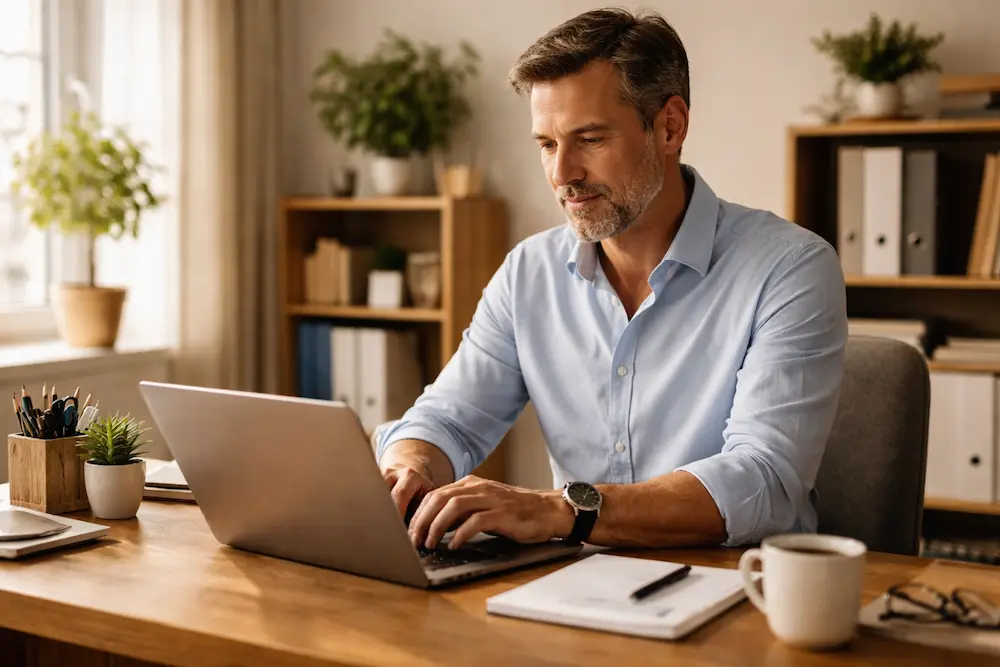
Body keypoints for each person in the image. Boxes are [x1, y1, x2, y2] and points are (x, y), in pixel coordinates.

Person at [375, 7, 847, 552]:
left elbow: (763, 480)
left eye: (590, 139)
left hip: (739, 593)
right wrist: (409, 465)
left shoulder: (790, 268)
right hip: (577, 592)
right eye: (547, 145)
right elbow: (447, 419)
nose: (562, 175)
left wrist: (559, 509)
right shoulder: (528, 273)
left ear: (670, 126)